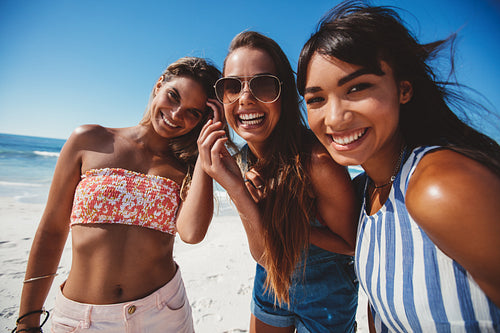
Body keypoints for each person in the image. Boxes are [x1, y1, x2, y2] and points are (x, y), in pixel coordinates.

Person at [297, 1, 500, 331]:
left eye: (358, 87)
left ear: (403, 89)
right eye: (316, 99)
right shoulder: (367, 191)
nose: (334, 118)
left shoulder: (439, 186)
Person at [13, 57, 223, 333]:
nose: (176, 114)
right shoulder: (88, 140)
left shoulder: (186, 168)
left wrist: (206, 150)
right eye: (173, 96)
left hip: (164, 313)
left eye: (193, 112)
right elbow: (51, 230)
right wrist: (27, 319)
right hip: (82, 320)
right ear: (159, 85)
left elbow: (192, 233)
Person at [198, 31, 359, 332]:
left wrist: (290, 223)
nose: (245, 97)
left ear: (283, 93)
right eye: (232, 86)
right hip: (270, 284)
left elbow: (351, 244)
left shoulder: (317, 163)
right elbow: (262, 254)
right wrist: (235, 187)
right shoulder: (243, 160)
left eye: (263, 84)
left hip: (327, 296)